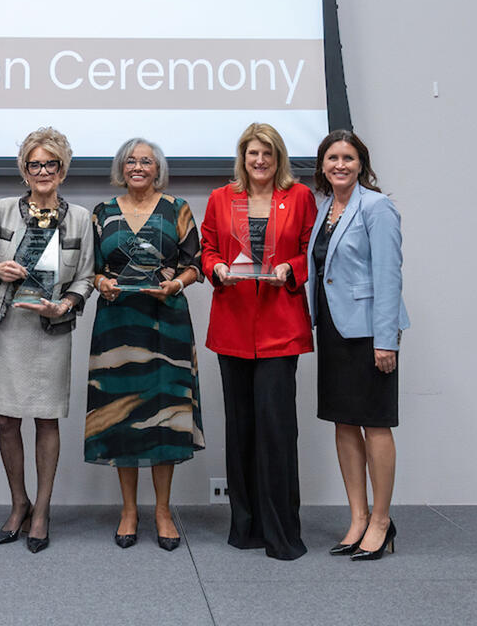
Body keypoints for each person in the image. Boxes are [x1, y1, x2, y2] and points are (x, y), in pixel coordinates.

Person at [199, 122, 317, 561]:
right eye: (253, 153)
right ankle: (245, 528)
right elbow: (208, 249)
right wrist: (216, 270)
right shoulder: (220, 198)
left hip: (280, 329)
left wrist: (291, 268)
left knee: (277, 432)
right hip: (232, 327)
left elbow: (310, 250)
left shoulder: (300, 197)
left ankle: (282, 533)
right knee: (241, 430)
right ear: (242, 157)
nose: (260, 161)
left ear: (278, 156)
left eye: (268, 152)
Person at [0, 128, 95, 553]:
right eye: (34, 165)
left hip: (51, 330)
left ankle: (42, 510)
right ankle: (18, 503)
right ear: (24, 171)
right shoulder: (6, 209)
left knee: (47, 420)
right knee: (7, 420)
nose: (43, 172)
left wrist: (64, 305)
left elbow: (85, 278)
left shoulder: (80, 218)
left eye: (51, 164)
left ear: (62, 170)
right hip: (6, 325)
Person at [86, 138, 204, 551]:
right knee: (122, 416)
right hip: (117, 326)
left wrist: (175, 284)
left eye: (147, 162)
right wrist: (102, 282)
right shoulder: (102, 213)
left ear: (158, 169)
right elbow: (91, 270)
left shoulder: (178, 208)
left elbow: (196, 264)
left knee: (166, 415)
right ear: (122, 167)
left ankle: (163, 511)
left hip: (165, 325)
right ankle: (129, 510)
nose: (138, 167)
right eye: (131, 161)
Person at [307, 129, 409, 561]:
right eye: (332, 158)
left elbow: (389, 276)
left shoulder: (377, 206)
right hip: (333, 331)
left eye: (348, 158)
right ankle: (357, 517)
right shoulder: (326, 207)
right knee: (343, 423)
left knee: (374, 424)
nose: (340, 165)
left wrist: (386, 340)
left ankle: (382, 522)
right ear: (322, 165)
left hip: (370, 335)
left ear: (361, 163)